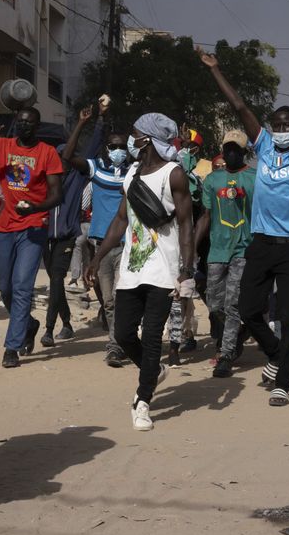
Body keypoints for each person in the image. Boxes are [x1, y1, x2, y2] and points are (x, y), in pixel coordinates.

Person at [200, 47, 289, 407]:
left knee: (288, 316)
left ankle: (284, 383)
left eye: (288, 126)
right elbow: (240, 107)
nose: (281, 130)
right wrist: (215, 70)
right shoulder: (263, 147)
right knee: (247, 310)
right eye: (277, 125)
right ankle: (277, 353)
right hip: (260, 244)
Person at [86, 113, 195, 431]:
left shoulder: (174, 174)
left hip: (163, 269)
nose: (130, 141)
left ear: (146, 140)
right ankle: (153, 371)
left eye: (134, 135)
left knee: (151, 337)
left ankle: (143, 400)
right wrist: (97, 257)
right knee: (122, 333)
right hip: (132, 269)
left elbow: (186, 224)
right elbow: (122, 219)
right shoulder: (132, 173)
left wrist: (186, 270)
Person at [0, 106, 63, 368]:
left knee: (22, 287)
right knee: (4, 286)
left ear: (37, 126)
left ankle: (12, 347)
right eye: (20, 121)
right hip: (3, 226)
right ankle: (29, 324)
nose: (23, 125)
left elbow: (57, 195)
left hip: (33, 226)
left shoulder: (47, 153)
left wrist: (36, 208)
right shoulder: (1, 145)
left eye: (29, 122)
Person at [60, 96, 129, 367]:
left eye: (122, 146)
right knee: (108, 301)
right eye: (114, 146)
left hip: (127, 244)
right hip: (100, 245)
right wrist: (83, 123)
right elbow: (67, 157)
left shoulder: (133, 172)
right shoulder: (96, 169)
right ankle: (118, 342)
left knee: (122, 299)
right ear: (106, 149)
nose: (118, 150)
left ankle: (117, 345)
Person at [195, 130, 256, 378]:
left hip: (244, 248)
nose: (231, 153)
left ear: (244, 152)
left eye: (236, 149)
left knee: (232, 303)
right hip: (217, 249)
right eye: (228, 148)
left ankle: (226, 354)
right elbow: (206, 215)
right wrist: (192, 248)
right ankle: (242, 329)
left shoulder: (254, 178)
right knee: (214, 303)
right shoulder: (212, 180)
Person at [39, 109, 92, 349]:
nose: (61, 162)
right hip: (45, 238)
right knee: (56, 282)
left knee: (57, 279)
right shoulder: (46, 180)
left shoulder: (77, 179)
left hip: (66, 238)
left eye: (64, 158)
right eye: (58, 158)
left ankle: (49, 329)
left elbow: (91, 148)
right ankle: (68, 323)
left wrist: (89, 123)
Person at [167, 134, 206, 364]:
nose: (185, 151)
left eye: (190, 147)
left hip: (184, 246)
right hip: (163, 243)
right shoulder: (162, 174)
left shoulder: (196, 180)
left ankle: (179, 340)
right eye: (182, 146)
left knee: (180, 296)